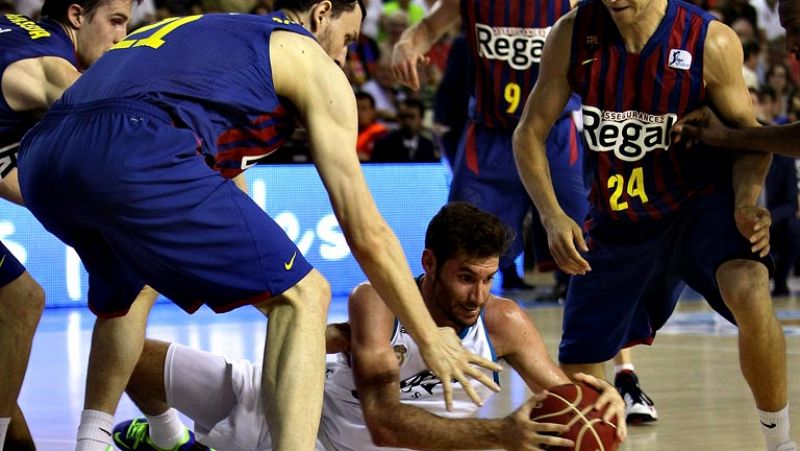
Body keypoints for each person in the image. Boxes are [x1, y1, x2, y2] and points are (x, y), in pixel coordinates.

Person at [16, 3, 502, 451]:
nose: (345, 56)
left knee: (126, 294)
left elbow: (221, 183)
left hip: (43, 157)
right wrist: (428, 333)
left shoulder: (213, 32)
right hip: (137, 145)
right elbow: (364, 228)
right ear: (322, 12)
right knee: (306, 295)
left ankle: (96, 440)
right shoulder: (307, 56)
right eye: (348, 39)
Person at [111, 202, 627, 451]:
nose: (477, 295)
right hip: (291, 412)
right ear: (429, 263)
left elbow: (566, 397)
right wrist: (500, 433)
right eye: (465, 277)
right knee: (127, 359)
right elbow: (384, 423)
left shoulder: (503, 322)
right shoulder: (378, 301)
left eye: (488, 278)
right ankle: (168, 438)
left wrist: (602, 403)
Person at [512, 0, 794, 449]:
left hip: (699, 209)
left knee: (751, 287)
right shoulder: (571, 34)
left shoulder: (710, 40)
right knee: (580, 368)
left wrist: (744, 203)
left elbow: (749, 138)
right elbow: (529, 132)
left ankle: (780, 443)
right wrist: (551, 214)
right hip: (617, 222)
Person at [0, 1, 147, 449]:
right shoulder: (50, 63)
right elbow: (108, 119)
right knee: (21, 302)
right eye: (116, 21)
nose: (123, 37)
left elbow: (14, 178)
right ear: (77, 15)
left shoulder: (16, 30)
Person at [391, 0, 588, 291]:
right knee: (458, 240)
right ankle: (447, 327)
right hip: (491, 133)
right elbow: (428, 27)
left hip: (553, 130)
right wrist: (406, 45)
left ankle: (585, 319)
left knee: (583, 237)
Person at [371, 98, 439, 162]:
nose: (407, 121)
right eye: (403, 117)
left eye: (411, 117)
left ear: (421, 119)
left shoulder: (429, 147)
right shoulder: (383, 145)